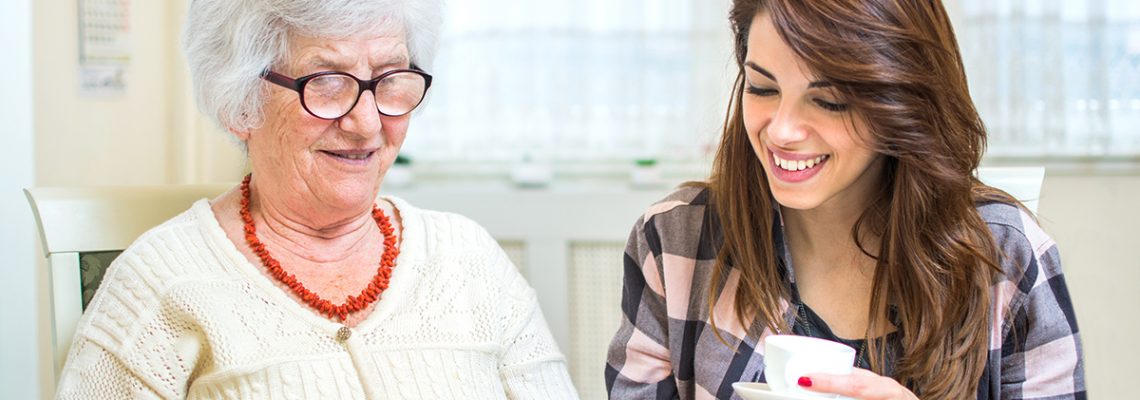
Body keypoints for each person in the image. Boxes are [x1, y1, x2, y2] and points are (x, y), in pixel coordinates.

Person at [55, 0, 578, 398]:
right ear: (240, 102)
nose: (368, 124)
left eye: (391, 80)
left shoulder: (467, 257)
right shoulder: (159, 284)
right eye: (328, 83)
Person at [605, 0, 1085, 399]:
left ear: (901, 99)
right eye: (762, 88)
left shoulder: (1007, 258)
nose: (782, 130)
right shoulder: (677, 240)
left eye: (829, 100)